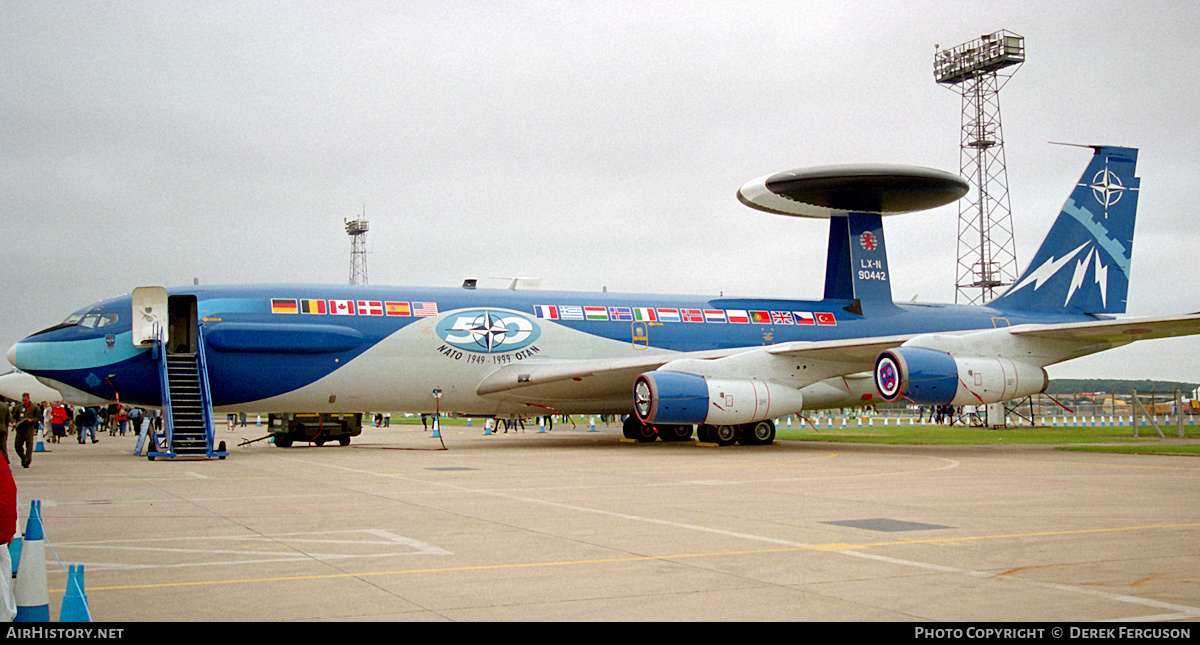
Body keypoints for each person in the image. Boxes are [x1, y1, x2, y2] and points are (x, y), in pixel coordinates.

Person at [13, 394, 40, 468]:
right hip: (20, 429)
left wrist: (32, 420)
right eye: (23, 400)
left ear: (29, 399)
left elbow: (38, 418)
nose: (24, 402)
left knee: (29, 446)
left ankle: (27, 461)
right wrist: (14, 422)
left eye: (25, 400)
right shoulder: (19, 407)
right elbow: (14, 417)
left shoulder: (34, 407)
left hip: (28, 428)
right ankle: (23, 457)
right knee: (17, 445)